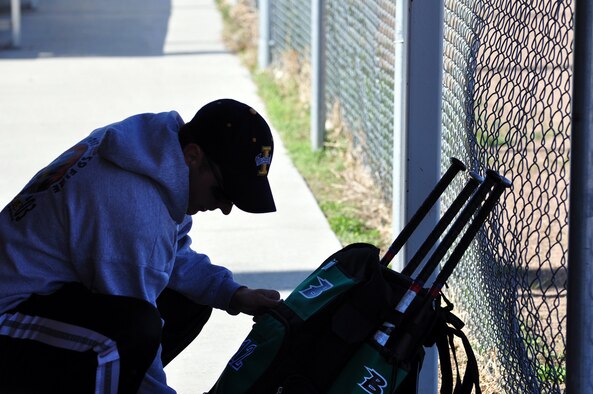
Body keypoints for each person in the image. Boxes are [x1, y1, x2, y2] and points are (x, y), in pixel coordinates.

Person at [0, 98, 282, 393]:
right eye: (223, 192)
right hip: (7, 321)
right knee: (134, 330)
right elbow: (131, 338)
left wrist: (234, 294)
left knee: (190, 300)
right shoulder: (132, 209)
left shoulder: (152, 154)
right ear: (193, 155)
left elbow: (168, 256)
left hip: (39, 300)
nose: (225, 207)